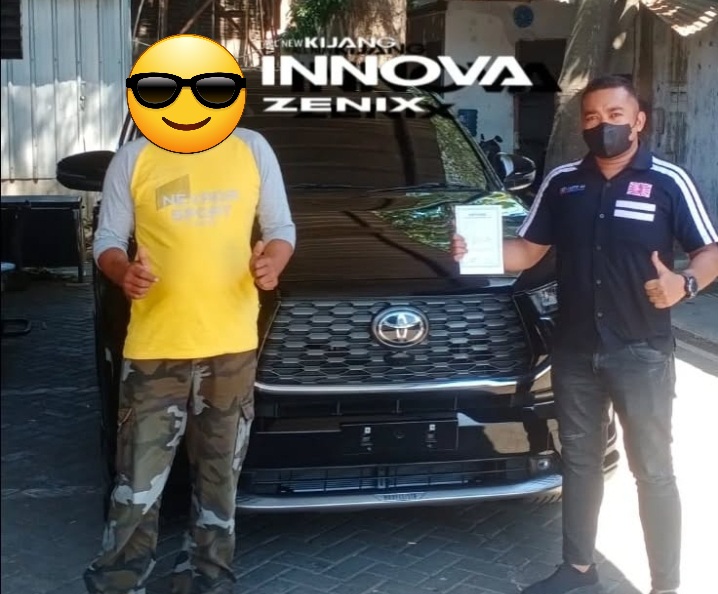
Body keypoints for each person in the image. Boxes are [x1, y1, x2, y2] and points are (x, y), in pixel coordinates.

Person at [452, 75, 718, 594]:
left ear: (638, 120)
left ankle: (665, 585)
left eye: (615, 115)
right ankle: (578, 569)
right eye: (592, 117)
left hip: (641, 352)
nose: (603, 126)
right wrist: (476, 251)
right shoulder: (563, 183)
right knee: (579, 463)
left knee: (653, 470)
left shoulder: (668, 181)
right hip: (574, 351)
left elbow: (709, 250)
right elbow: (526, 251)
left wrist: (684, 283)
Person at [83, 125, 296, 594]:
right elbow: (107, 239)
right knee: (138, 480)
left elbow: (280, 229)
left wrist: (274, 262)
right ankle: (118, 581)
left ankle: (206, 578)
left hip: (231, 348)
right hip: (154, 349)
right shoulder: (134, 157)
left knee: (219, 479)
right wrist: (123, 271)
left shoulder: (252, 148)